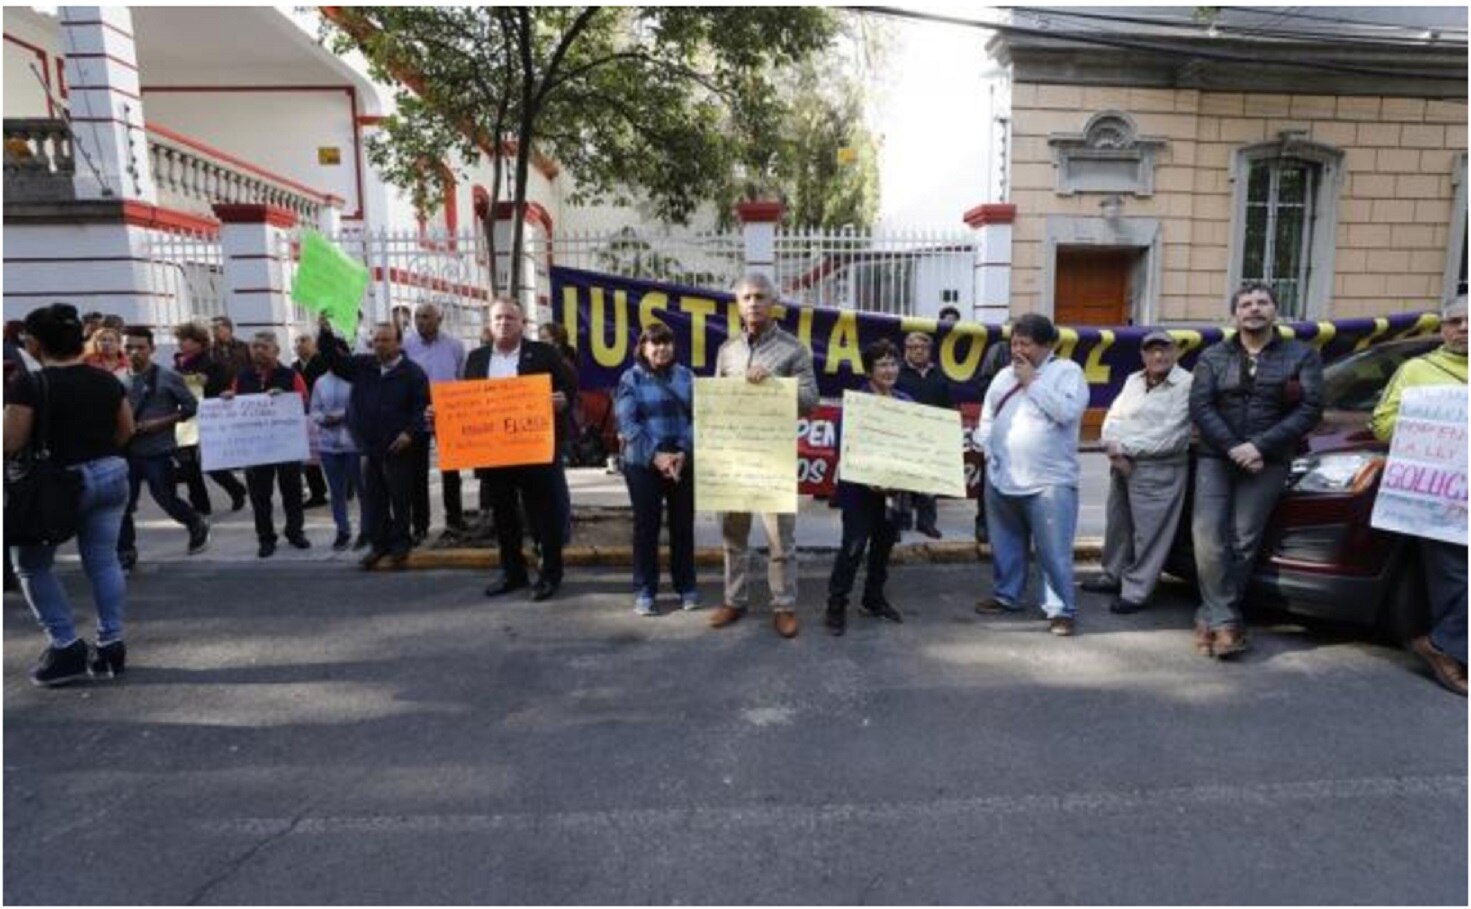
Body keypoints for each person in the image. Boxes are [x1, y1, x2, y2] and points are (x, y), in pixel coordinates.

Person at [1189, 283, 1323, 658]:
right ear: (1235, 314)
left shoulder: (1301, 355)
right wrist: (1234, 447)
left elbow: (1310, 409)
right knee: (1208, 539)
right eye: (1246, 304)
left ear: (1274, 311)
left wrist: (1259, 446)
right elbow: (1201, 406)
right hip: (1217, 457)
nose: (1254, 309)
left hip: (1268, 459)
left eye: (1262, 302)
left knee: (1242, 540)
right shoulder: (1213, 356)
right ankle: (1226, 620)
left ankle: (1212, 617)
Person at [4, 303, 134, 686]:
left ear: (34, 342)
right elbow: (126, 429)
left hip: (57, 482)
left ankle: (65, 645)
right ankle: (111, 644)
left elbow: (10, 441)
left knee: (31, 563)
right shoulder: (107, 380)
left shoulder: (29, 384)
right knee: (103, 560)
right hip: (109, 472)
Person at [709, 273, 820, 639]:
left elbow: (810, 401)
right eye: (745, 298)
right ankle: (733, 599)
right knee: (733, 535)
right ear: (737, 305)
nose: (753, 304)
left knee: (780, 541)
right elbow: (715, 405)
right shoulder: (727, 351)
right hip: (735, 458)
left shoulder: (794, 349)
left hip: (774, 459)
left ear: (773, 303)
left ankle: (784, 606)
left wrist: (772, 384)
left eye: (759, 297)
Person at [1370, 295, 1468, 695]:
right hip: (1443, 496)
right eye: (1455, 322)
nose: (1463, 328)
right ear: (1442, 329)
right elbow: (1382, 423)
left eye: (1470, 321)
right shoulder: (1417, 371)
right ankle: (1446, 647)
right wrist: (1428, 421)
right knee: (1455, 577)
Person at [975, 313, 1088, 636]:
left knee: (1054, 550)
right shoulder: (1002, 377)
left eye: (1026, 343)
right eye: (1014, 342)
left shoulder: (1067, 372)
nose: (1018, 350)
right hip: (1001, 477)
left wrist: (1031, 383)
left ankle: (1060, 609)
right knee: (1006, 543)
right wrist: (988, 449)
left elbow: (1066, 412)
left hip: (1048, 481)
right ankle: (1007, 594)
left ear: (1047, 345)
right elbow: (987, 417)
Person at [463, 298, 576, 601]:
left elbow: (569, 388)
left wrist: (562, 400)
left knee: (543, 514)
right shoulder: (475, 359)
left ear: (522, 323)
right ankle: (512, 571)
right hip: (495, 452)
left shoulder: (543, 353)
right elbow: (466, 402)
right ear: (490, 323)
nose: (503, 323)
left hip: (535, 450)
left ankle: (550, 573)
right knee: (503, 515)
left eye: (510, 318)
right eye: (498, 318)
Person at [1085, 330, 1193, 614]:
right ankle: (1113, 576)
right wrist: (1113, 447)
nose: (1158, 356)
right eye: (1151, 350)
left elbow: (1173, 435)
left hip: (1159, 468)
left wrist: (1124, 449)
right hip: (1121, 462)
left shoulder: (1187, 384)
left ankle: (1136, 591)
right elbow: (1114, 417)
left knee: (1150, 533)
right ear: (1143, 355)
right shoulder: (1134, 379)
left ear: (1176, 352)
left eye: (1165, 349)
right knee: (1118, 526)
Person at [318, 318, 427, 567]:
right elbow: (334, 362)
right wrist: (325, 333)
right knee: (374, 499)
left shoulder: (412, 373)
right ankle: (380, 544)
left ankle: (401, 542)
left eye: (386, 340)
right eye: (376, 340)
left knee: (400, 498)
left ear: (399, 343)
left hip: (398, 447)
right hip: (369, 446)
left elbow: (421, 408)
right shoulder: (364, 366)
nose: (379, 345)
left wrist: (409, 433)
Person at [824, 339, 910, 636]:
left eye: (893, 363)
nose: (889, 369)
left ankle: (873, 599)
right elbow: (843, 448)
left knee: (883, 549)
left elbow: (915, 447)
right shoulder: (855, 404)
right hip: (860, 493)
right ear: (869, 370)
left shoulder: (906, 403)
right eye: (882, 364)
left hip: (894, 493)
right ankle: (836, 605)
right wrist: (869, 479)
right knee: (853, 547)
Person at [614, 322, 697, 617]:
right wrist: (657, 457)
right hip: (643, 464)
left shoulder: (687, 377)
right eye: (654, 343)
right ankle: (645, 590)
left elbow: (700, 419)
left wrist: (683, 453)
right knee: (646, 528)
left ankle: (686, 586)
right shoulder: (630, 378)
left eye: (666, 342)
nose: (661, 348)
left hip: (682, 463)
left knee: (683, 527)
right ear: (643, 347)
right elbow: (628, 423)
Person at [116, 327, 211, 570]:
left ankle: (195, 523)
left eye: (140, 347)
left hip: (158, 450)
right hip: (127, 450)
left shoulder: (168, 376)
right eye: (129, 347)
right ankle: (126, 550)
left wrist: (161, 423)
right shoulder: (118, 378)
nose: (134, 352)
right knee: (124, 503)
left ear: (152, 349)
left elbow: (190, 407)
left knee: (165, 498)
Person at [224, 331, 312, 558]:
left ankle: (295, 531)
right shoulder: (242, 377)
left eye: (264, 347)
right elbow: (234, 404)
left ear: (276, 351)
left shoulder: (290, 375)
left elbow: (304, 403)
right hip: (256, 449)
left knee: (292, 492)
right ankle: (266, 538)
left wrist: (285, 398)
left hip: (285, 446)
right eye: (255, 347)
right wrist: (227, 400)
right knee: (259, 496)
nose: (259, 351)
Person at [403, 303, 468, 537]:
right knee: (417, 472)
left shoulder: (455, 346)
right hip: (417, 413)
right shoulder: (406, 346)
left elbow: (462, 379)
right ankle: (420, 525)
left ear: (439, 319)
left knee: (451, 469)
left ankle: (455, 519)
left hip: (447, 413)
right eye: (417, 317)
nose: (421, 321)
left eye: (426, 317)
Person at [172, 321, 248, 515]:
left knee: (211, 463)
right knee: (189, 465)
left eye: (185, 340)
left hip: (209, 420)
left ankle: (236, 489)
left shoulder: (212, 364)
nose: (181, 344)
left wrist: (207, 384)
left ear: (199, 343)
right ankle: (201, 506)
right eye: (180, 340)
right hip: (186, 420)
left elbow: (223, 388)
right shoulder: (178, 365)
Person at [309, 332, 369, 552]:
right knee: (337, 491)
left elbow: (363, 405)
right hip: (329, 444)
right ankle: (342, 530)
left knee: (363, 490)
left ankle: (366, 529)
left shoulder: (355, 378)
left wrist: (344, 415)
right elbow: (314, 409)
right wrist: (323, 419)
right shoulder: (320, 382)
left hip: (354, 442)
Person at [896, 331, 952, 538]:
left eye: (923, 347)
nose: (918, 351)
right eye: (912, 347)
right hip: (903, 437)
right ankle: (900, 523)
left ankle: (926, 523)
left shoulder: (939, 376)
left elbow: (948, 407)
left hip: (931, 439)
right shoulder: (897, 374)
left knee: (929, 484)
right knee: (901, 483)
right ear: (906, 351)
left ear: (930, 351)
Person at [540, 321, 579, 544]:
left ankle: (561, 532)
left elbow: (569, 396)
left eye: (544, 338)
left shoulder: (562, 365)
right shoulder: (549, 362)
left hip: (554, 430)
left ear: (556, 341)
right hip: (544, 430)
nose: (539, 342)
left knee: (555, 483)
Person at [972, 327, 1012, 543]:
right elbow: (983, 384)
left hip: (1023, 434)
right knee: (990, 479)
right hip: (997, 426)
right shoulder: (998, 351)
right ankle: (984, 523)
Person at [291, 333, 330, 509]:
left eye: (304, 341)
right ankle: (317, 492)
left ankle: (346, 485)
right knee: (309, 456)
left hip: (324, 413)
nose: (300, 345)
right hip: (303, 415)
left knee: (330, 453)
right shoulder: (294, 367)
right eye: (297, 342)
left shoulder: (323, 363)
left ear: (314, 345)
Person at [210, 315, 253, 380]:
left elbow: (253, 366)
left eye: (216, 328)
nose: (214, 332)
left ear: (228, 328)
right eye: (212, 329)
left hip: (242, 384)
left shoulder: (244, 347)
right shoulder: (210, 350)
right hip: (220, 386)